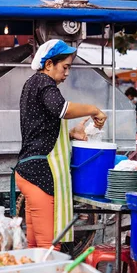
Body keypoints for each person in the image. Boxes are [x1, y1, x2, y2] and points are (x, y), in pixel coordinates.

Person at [15, 39, 107, 250]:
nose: (67, 73)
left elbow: (42, 127)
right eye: (65, 67)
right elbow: (62, 108)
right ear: (49, 65)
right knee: (50, 247)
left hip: (28, 169)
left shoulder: (32, 84)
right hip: (39, 173)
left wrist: (71, 134)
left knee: (35, 244)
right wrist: (94, 109)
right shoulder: (44, 82)